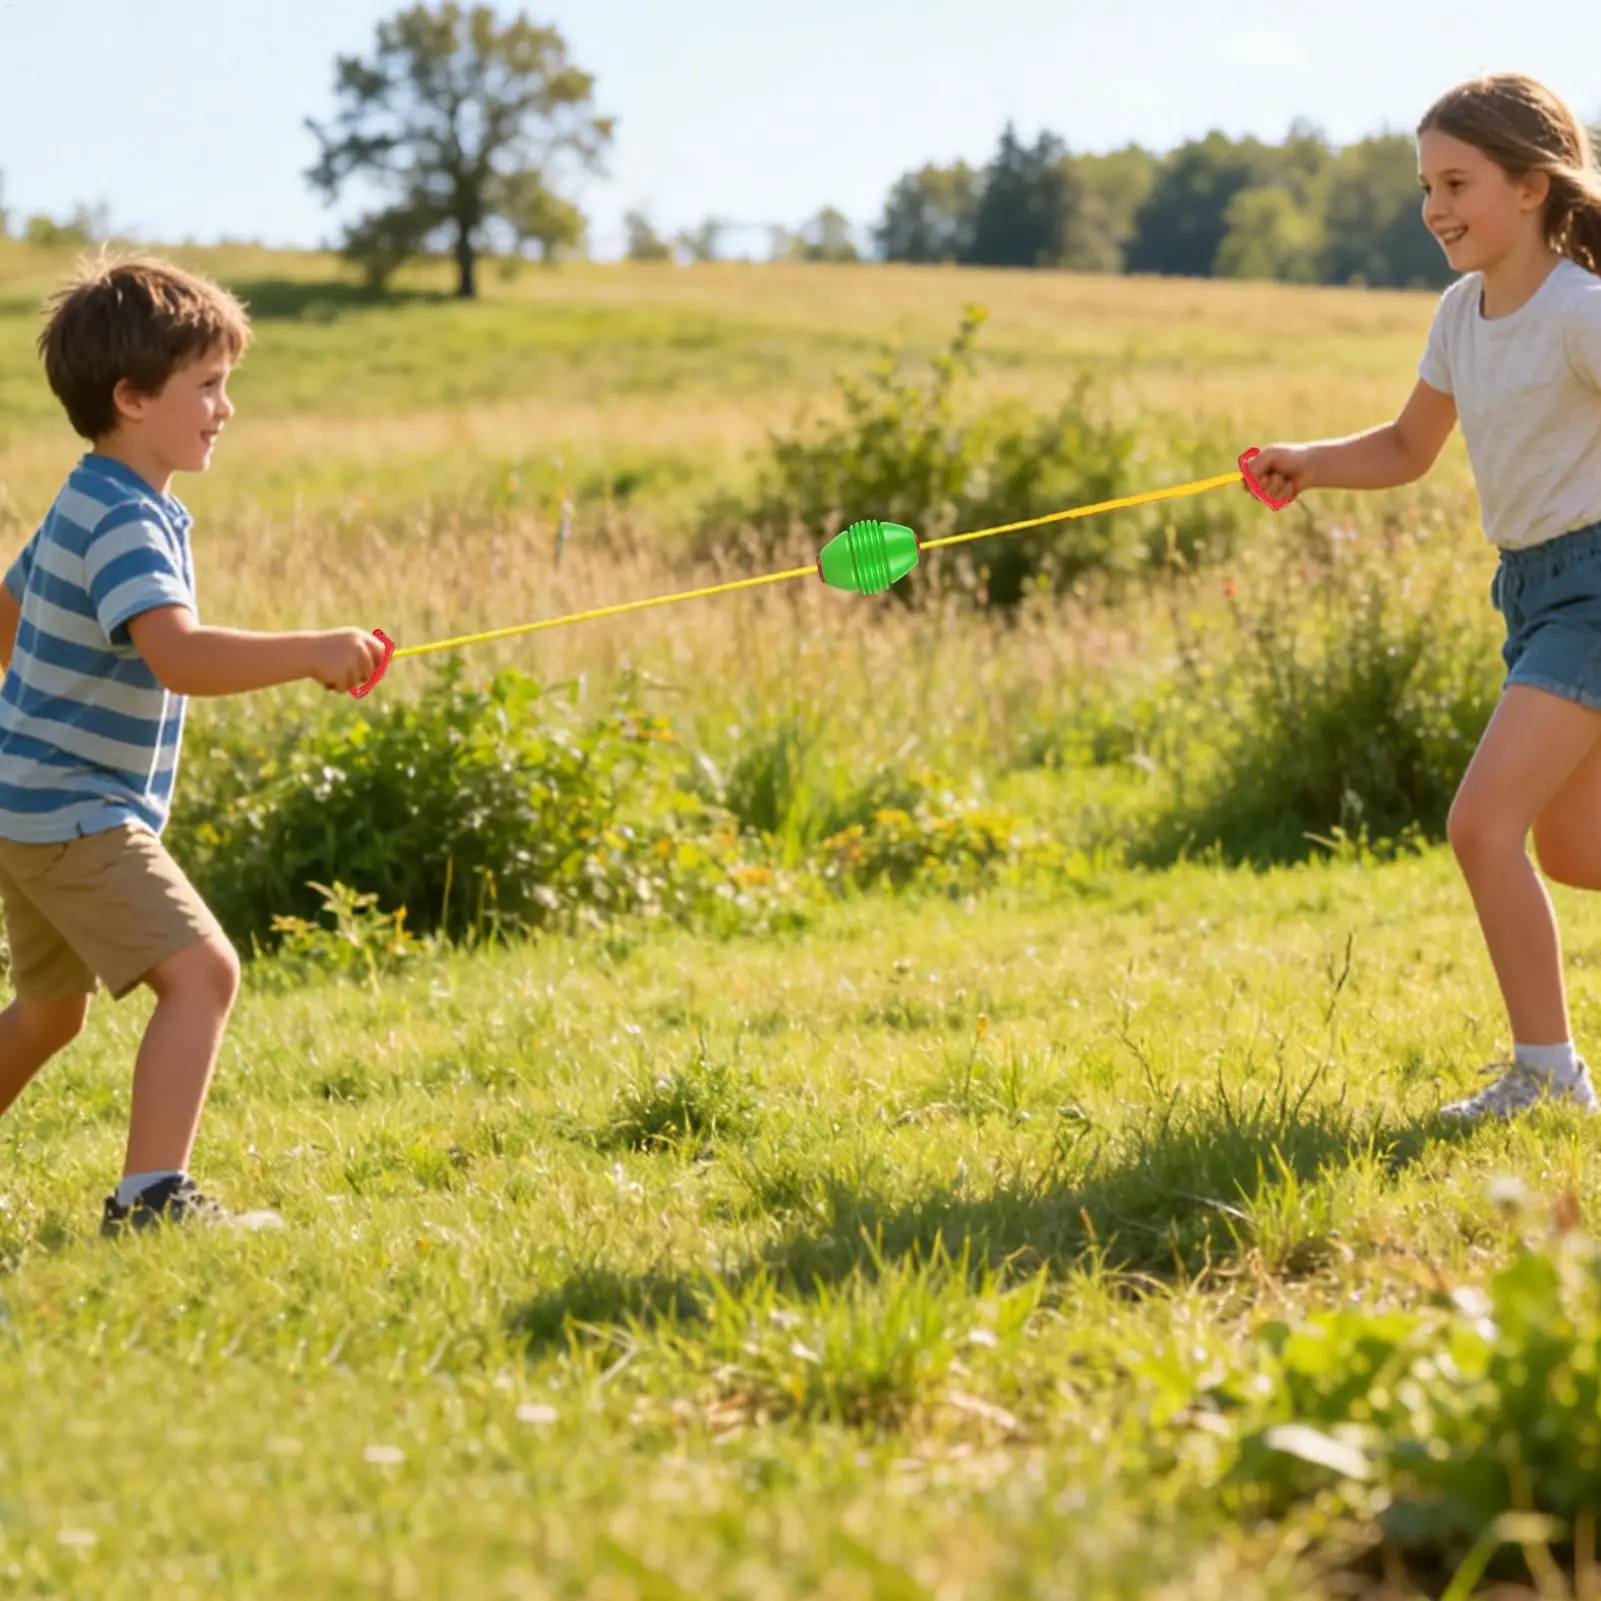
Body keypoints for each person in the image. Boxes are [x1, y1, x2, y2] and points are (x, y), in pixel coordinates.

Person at [0, 252, 387, 1232]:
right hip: (75, 809)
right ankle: (151, 1199)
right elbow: (175, 654)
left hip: (25, 800)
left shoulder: (85, 495)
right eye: (206, 386)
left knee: (52, 1011)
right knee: (204, 972)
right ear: (130, 396)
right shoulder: (128, 520)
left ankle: (150, 1193)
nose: (225, 407)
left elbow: (8, 610)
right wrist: (311, 651)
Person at [1247, 73, 1601, 1122]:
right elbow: (1407, 447)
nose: (1432, 208)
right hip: (1530, 592)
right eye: (1423, 186)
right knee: (1571, 848)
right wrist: (1305, 460)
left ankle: (1546, 1076)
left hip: (1592, 585)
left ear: (1532, 186)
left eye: (1456, 182)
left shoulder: (1580, 312)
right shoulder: (1461, 312)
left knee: (1480, 824)